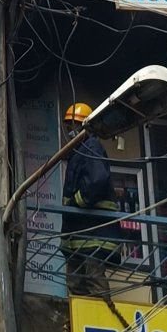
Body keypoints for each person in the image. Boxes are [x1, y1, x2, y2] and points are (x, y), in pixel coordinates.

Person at [61, 101, 123, 296]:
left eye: (73, 125)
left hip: (94, 232)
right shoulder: (78, 152)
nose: (70, 131)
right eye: (68, 126)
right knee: (75, 284)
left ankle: (101, 315)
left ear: (85, 126)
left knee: (94, 280)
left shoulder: (91, 146)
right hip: (77, 234)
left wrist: (78, 202)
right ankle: (79, 315)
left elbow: (97, 179)